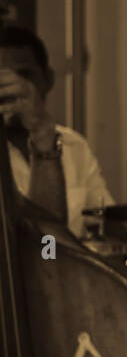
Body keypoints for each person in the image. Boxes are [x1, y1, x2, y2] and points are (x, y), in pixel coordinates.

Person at [0, 26, 113, 239]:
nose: (16, 88)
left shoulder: (75, 146)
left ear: (48, 79)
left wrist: (43, 134)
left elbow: (103, 227)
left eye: (24, 75)